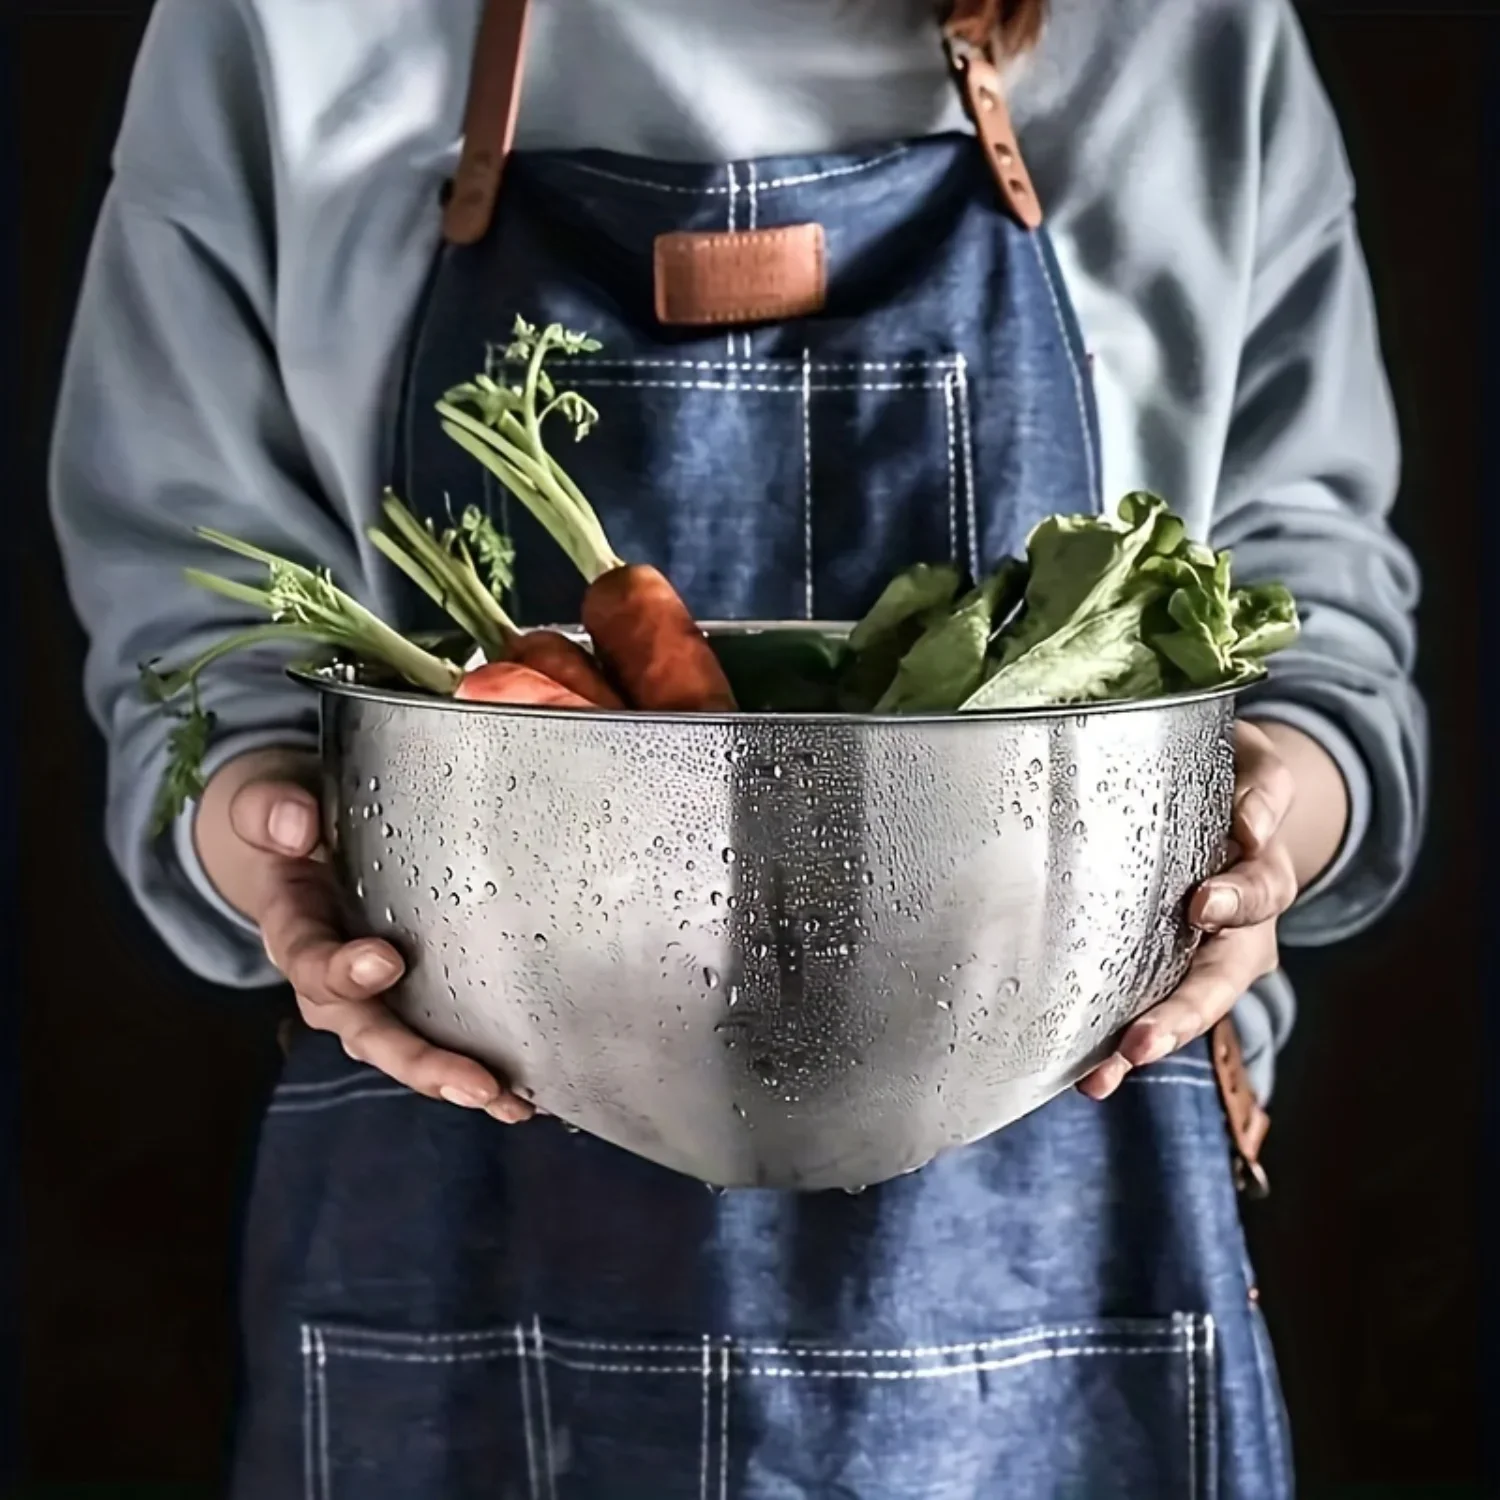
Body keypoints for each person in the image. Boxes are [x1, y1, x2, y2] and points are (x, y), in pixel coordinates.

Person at [50, 0, 1425, 1493]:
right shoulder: (279, 27)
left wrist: (1269, 823)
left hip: (1069, 1181)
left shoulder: (1182, 30)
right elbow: (197, 631)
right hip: (460, 1171)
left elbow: (1314, 605)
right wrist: (272, 845)